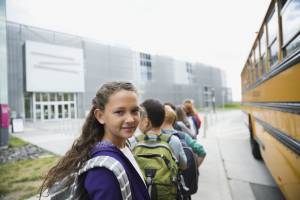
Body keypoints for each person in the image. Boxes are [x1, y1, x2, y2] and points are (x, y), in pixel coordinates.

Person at [40, 81, 150, 200]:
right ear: (100, 116)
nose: (130, 119)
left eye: (134, 111)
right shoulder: (104, 171)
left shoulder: (124, 146)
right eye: (119, 112)